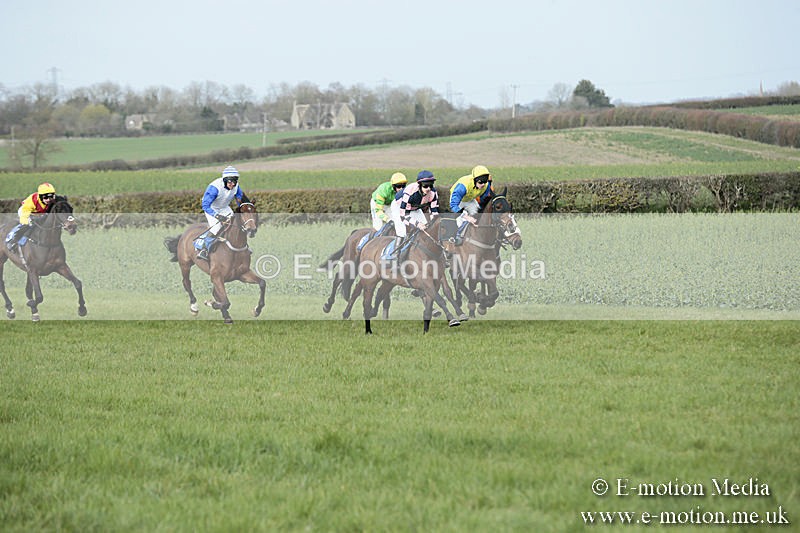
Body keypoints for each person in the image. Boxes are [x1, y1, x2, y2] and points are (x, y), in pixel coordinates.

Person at [195, 166, 251, 261]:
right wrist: (216, 215)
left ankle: (243, 246)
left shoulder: (236, 186)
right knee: (217, 227)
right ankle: (204, 249)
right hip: (211, 208)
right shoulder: (215, 188)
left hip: (224, 208)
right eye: (230, 182)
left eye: (234, 182)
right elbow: (205, 205)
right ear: (225, 181)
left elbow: (240, 199)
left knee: (236, 223)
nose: (232, 185)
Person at [4, 182, 57, 253]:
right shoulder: (32, 200)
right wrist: (26, 221)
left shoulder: (53, 200)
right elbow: (25, 212)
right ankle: (11, 239)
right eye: (45, 197)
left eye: (51, 197)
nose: (48, 200)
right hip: (26, 211)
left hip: (39, 213)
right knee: (27, 224)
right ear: (40, 196)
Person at [449, 165, 494, 245]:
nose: (483, 184)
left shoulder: (486, 185)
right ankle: (457, 238)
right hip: (458, 201)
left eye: (485, 182)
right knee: (462, 221)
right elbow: (453, 206)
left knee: (477, 217)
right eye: (480, 182)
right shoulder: (463, 186)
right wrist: (467, 217)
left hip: (470, 199)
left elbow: (484, 201)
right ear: (474, 180)